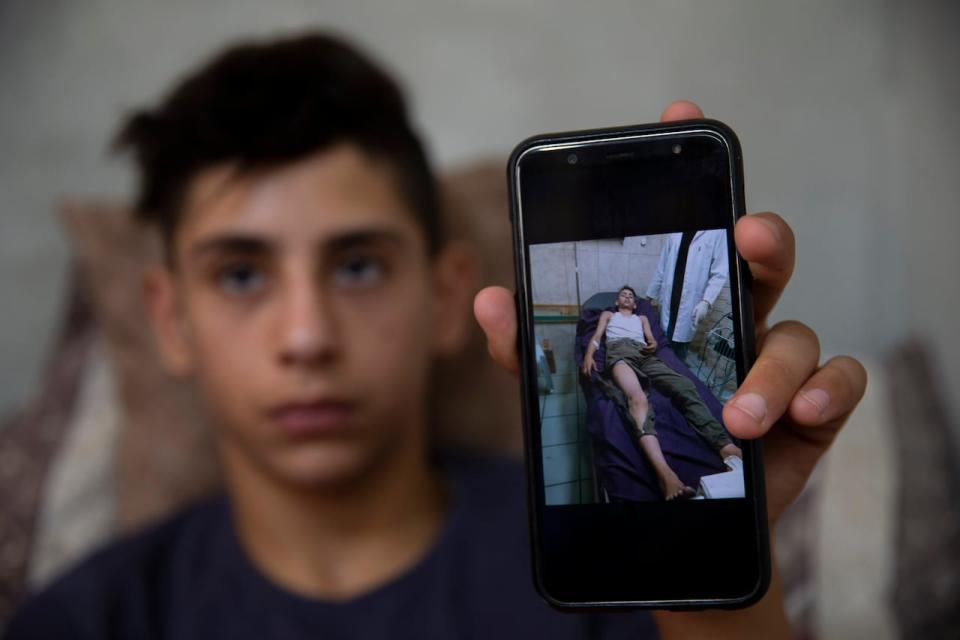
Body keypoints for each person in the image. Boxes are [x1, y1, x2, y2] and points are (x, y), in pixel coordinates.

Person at [3, 31, 867, 640]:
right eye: (240, 274)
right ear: (170, 320)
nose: (305, 337)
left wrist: (723, 604)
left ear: (448, 296)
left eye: (358, 267)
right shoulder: (84, 620)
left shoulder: (608, 575)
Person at [581, 285, 741, 500]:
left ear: (635, 304)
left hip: (645, 355)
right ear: (617, 302)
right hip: (619, 353)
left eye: (630, 296)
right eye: (623, 295)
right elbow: (596, 337)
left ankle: (725, 447)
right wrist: (589, 355)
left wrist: (653, 344)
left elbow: (652, 340)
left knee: (685, 386)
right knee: (637, 399)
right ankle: (665, 476)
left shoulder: (642, 319)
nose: (627, 298)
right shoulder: (608, 314)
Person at [646, 229, 728, 360]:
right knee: (663, 344)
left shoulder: (718, 232)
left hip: (690, 304)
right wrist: (649, 297)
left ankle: (677, 374)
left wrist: (706, 302)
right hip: (668, 300)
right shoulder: (674, 232)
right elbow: (661, 267)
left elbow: (719, 273)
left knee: (679, 349)